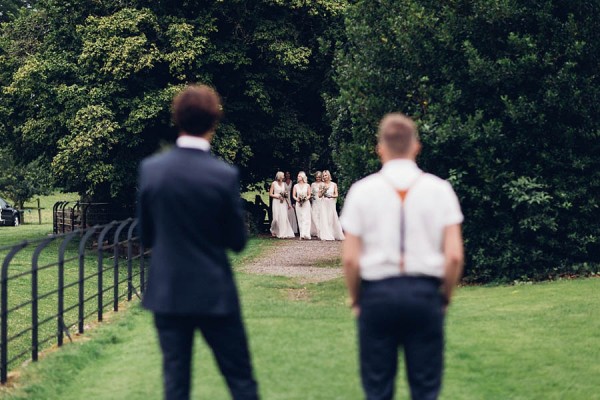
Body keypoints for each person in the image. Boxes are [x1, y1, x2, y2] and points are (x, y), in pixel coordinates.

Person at [137, 85, 259, 400]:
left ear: (176, 119)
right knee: (240, 379)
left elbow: (146, 235)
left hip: (169, 291)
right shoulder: (223, 175)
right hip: (214, 291)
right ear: (214, 122)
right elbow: (237, 241)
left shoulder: (152, 171)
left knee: (175, 384)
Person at [340, 113, 464, 400]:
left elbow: (350, 259)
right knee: (425, 389)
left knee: (378, 388)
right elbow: (454, 256)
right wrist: (444, 296)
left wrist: (356, 297)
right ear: (416, 147)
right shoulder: (440, 190)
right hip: (424, 295)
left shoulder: (361, 192)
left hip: (377, 295)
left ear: (380, 148)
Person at [317, 170, 344, 241]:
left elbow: (336, 194)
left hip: (331, 203)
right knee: (324, 218)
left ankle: (333, 233)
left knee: (331, 218)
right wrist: (323, 191)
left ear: (329, 175)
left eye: (326, 175)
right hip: (324, 203)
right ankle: (326, 234)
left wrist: (331, 196)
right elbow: (319, 195)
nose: (324, 177)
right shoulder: (321, 185)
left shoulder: (334, 184)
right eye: (323, 175)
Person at [269, 171, 295, 238]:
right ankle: (273, 230)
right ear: (279, 176)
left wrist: (288, 204)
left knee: (283, 217)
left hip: (283, 202)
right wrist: (277, 196)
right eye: (283, 175)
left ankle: (282, 232)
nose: (284, 176)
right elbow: (270, 194)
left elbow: (285, 194)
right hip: (276, 201)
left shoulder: (284, 184)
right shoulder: (274, 183)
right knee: (276, 218)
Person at [293, 171, 312, 240]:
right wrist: (298, 200)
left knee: (306, 218)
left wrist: (305, 199)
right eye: (298, 176)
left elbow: (309, 194)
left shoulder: (307, 185)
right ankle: (302, 234)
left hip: (306, 203)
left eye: (299, 176)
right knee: (300, 218)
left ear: (302, 177)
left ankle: (306, 233)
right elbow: (293, 195)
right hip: (298, 204)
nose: (298, 177)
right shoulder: (295, 186)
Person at [310, 171, 323, 237]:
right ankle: (317, 230)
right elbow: (310, 193)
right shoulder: (313, 184)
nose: (318, 178)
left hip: (321, 201)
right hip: (315, 201)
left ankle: (321, 230)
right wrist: (311, 196)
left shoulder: (323, 184)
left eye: (319, 177)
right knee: (314, 216)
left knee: (321, 215)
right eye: (317, 177)